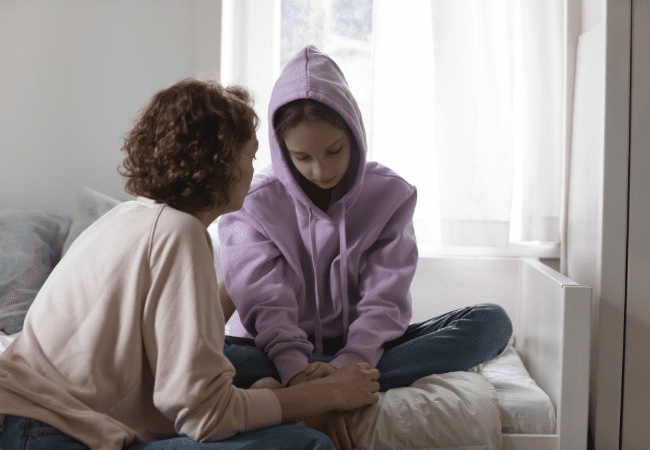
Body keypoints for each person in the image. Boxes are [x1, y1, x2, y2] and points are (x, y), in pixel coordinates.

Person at [0, 78, 380, 450]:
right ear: (220, 162)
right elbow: (204, 415)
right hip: (50, 433)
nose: (254, 169)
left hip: (33, 414)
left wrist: (272, 389)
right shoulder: (179, 234)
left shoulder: (132, 218)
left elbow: (178, 354)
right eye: (250, 155)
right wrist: (326, 395)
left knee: (258, 365)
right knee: (305, 443)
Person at [216, 44, 514, 443]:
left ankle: (324, 387)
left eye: (333, 150)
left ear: (354, 135)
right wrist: (301, 376)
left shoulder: (391, 195)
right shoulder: (251, 203)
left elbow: (383, 302)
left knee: (491, 324)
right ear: (280, 151)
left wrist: (345, 371)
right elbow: (268, 307)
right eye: (301, 157)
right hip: (273, 350)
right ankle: (313, 387)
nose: (320, 169)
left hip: (365, 348)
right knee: (209, 355)